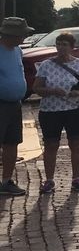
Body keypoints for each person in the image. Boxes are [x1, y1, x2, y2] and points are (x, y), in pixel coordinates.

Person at [33, 32, 79, 194]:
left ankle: (76, 179)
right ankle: (49, 181)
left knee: (76, 144)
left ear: (72, 47)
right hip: (51, 111)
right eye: (58, 44)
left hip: (76, 110)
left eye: (64, 44)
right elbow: (36, 88)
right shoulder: (46, 65)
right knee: (51, 145)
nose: (60, 47)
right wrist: (52, 90)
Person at [0, 17, 33, 196]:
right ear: (11, 35)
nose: (24, 37)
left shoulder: (17, 50)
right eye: (22, 34)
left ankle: (6, 181)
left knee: (12, 142)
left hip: (15, 104)